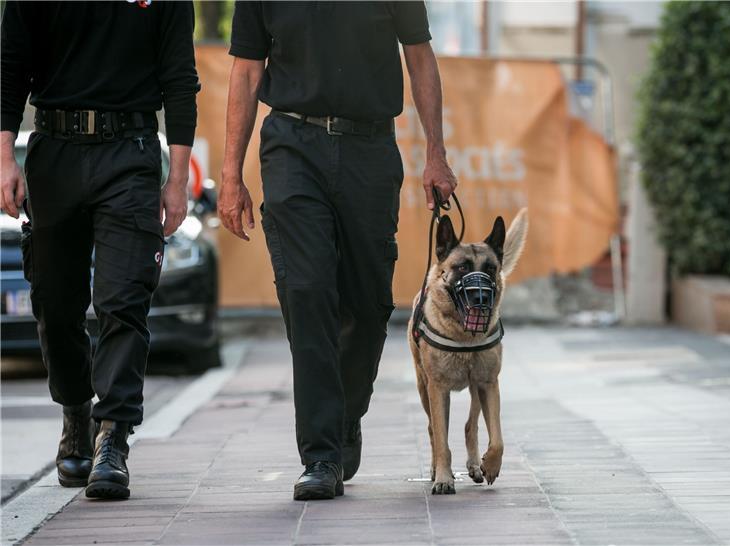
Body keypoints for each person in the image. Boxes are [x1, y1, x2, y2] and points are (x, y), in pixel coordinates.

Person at [220, 2, 457, 500]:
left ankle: (347, 413)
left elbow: (419, 56)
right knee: (305, 292)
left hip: (369, 150)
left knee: (368, 306)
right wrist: (230, 174)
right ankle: (321, 453)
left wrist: (436, 152)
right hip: (290, 145)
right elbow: (245, 71)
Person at [0, 1, 199, 499]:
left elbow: (179, 78)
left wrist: (176, 179)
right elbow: (10, 67)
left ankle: (113, 436)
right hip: (53, 152)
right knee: (54, 303)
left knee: (123, 299)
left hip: (129, 153)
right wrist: (4, 157)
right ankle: (75, 412)